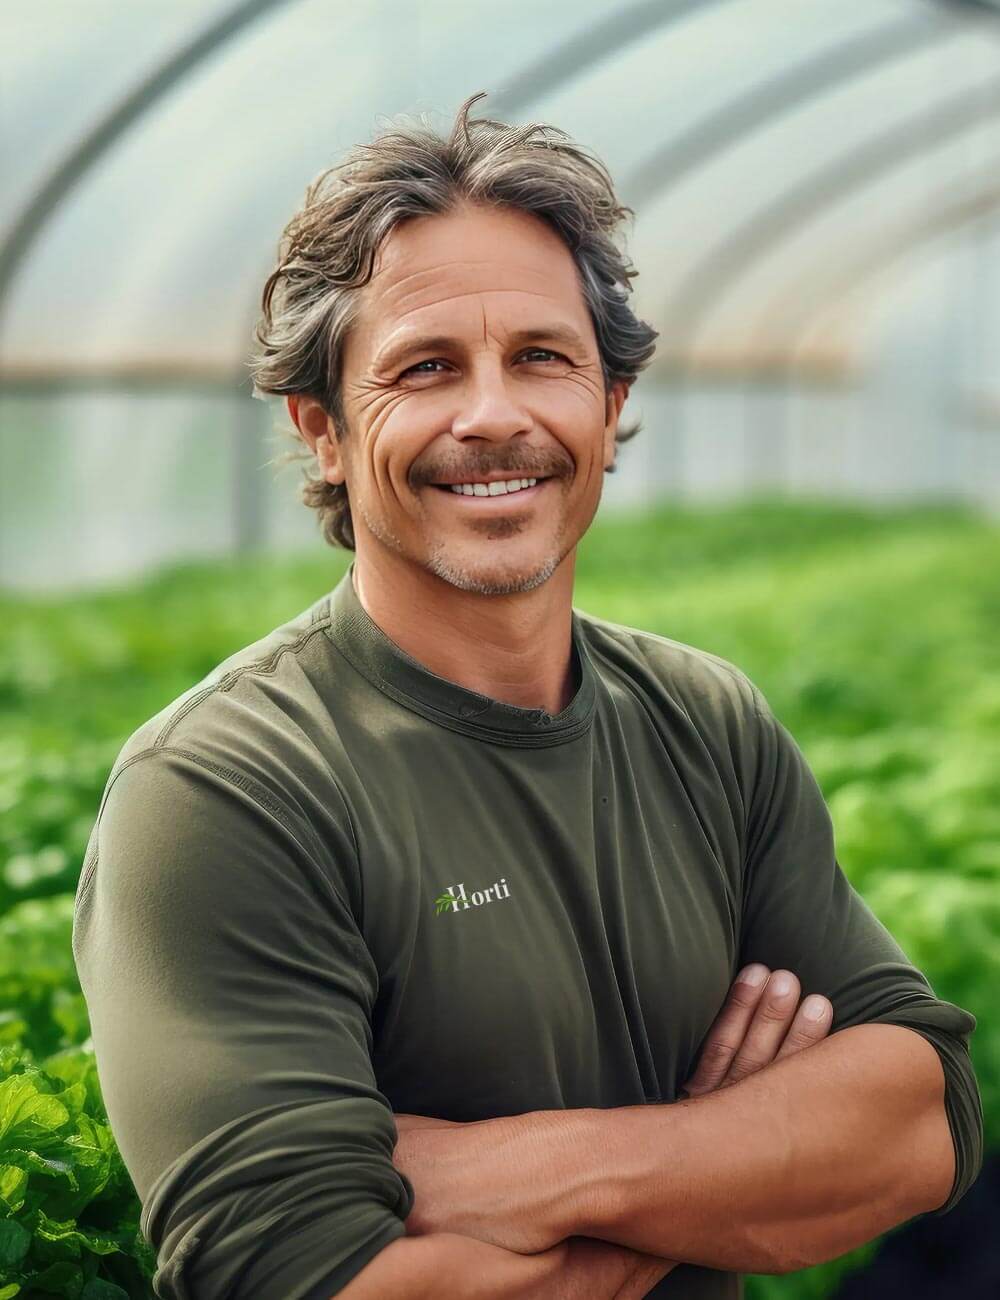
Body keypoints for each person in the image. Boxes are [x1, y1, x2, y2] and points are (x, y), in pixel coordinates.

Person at [71, 92, 982, 1300]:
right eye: (425, 367)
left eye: (543, 358)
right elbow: (307, 1277)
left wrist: (529, 1177)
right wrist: (727, 1158)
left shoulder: (707, 721)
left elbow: (922, 1122)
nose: (493, 415)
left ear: (607, 411)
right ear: (323, 429)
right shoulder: (226, 788)